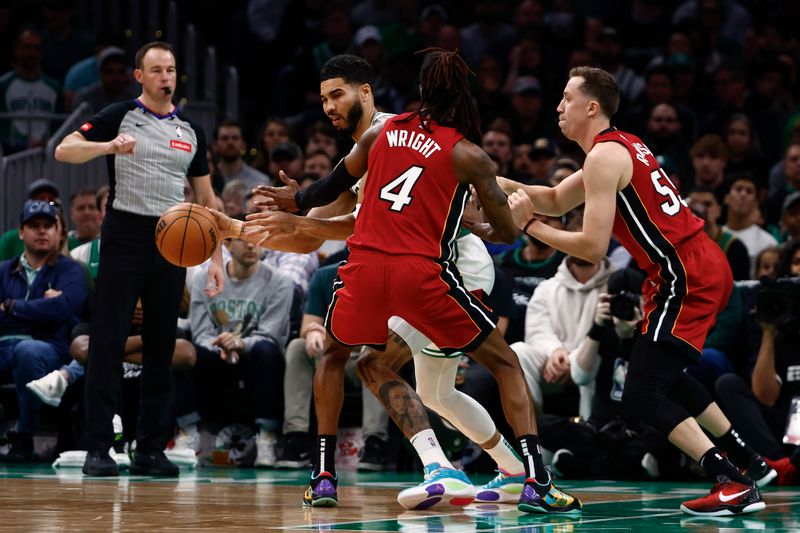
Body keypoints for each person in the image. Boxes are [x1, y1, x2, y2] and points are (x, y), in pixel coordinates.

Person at [234, 51, 581, 514]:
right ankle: (531, 478)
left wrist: (296, 203)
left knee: (340, 357)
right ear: (463, 94)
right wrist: (501, 221)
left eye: (335, 95)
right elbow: (504, 234)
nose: (329, 106)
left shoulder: (381, 133)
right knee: (501, 364)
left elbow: (330, 188)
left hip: (370, 268)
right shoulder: (467, 153)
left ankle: (323, 475)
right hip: (423, 273)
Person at [502, 66, 773, 516]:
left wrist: (529, 226)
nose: (558, 107)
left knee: (640, 396)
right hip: (695, 264)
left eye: (566, 98)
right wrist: (492, 181)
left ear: (591, 107)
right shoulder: (621, 146)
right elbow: (553, 199)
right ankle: (751, 462)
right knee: (667, 379)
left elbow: (591, 245)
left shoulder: (602, 158)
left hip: (682, 272)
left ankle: (732, 480)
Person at [54, 41, 223, 477]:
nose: (166, 76)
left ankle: (150, 447)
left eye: (171, 68)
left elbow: (207, 199)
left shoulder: (191, 130)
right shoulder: (119, 115)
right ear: (140, 76)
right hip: (125, 234)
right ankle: (98, 448)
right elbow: (63, 150)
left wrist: (217, 260)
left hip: (173, 238)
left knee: (161, 345)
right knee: (108, 342)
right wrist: (109, 147)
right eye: (157, 69)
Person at [188, 225, 293, 467]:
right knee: (194, 352)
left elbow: (271, 335)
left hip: (257, 353)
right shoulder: (204, 279)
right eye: (244, 240)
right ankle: (196, 434)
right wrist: (221, 346)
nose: (251, 245)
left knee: (265, 351)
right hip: (216, 352)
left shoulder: (280, 281)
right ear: (227, 245)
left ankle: (267, 437)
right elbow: (201, 333)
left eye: (258, 240)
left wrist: (240, 343)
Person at [0, 200, 87, 461]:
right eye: (34, 225)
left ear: (58, 231)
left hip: (48, 346)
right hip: (3, 344)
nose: (42, 231)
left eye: (48, 225)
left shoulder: (70, 269)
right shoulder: (3, 270)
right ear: (21, 232)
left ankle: (26, 438)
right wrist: (42, 308)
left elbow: (63, 308)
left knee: (28, 351)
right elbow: (52, 310)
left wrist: (10, 307)